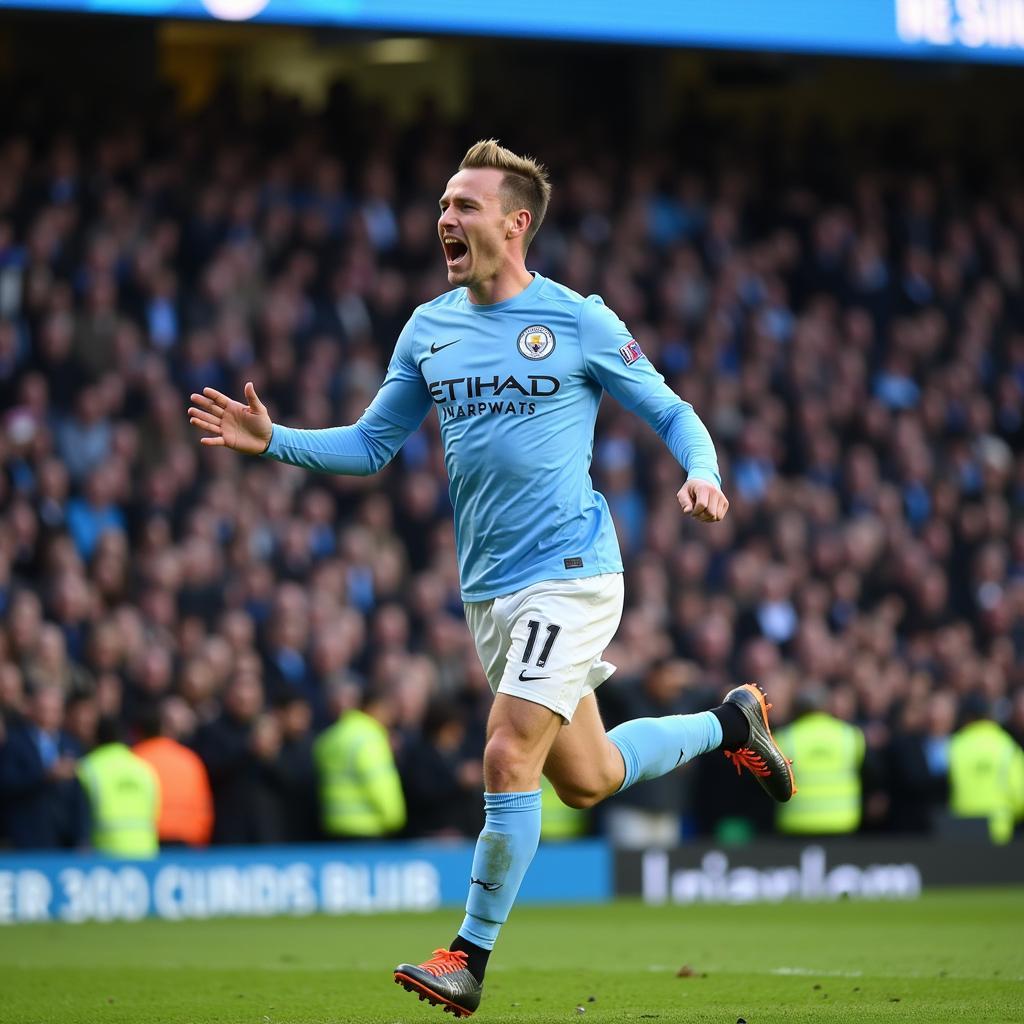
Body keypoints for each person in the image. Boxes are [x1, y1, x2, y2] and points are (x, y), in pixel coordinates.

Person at [188, 140, 796, 1019]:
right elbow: (371, 445)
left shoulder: (577, 318)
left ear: (515, 224)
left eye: (465, 206)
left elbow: (671, 407)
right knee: (585, 777)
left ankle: (466, 956)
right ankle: (727, 721)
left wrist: (701, 470)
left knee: (507, 750)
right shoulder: (427, 328)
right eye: (443, 204)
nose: (445, 218)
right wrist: (273, 439)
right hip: (490, 592)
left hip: (574, 570)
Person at [0, 684, 90, 850]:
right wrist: (45, 775)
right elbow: (6, 783)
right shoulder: (14, 743)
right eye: (44, 709)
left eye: (55, 710)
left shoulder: (71, 744)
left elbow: (79, 795)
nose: (49, 715)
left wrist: (82, 837)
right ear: (32, 709)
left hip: (64, 840)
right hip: (25, 839)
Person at [313, 683, 406, 839]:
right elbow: (381, 784)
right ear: (375, 707)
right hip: (367, 830)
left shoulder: (331, 736)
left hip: (331, 828)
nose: (391, 717)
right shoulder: (370, 738)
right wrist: (395, 820)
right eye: (388, 710)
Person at [774, 687, 864, 837]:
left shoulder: (784, 738)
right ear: (826, 706)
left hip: (796, 824)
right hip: (842, 822)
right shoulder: (850, 735)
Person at [947, 693, 1024, 845]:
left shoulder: (954, 745)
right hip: (999, 829)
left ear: (967, 718)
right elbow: (1020, 795)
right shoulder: (1007, 746)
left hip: (960, 828)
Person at [77, 717, 160, 858]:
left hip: (105, 854)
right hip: (146, 852)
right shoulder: (144, 768)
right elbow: (155, 811)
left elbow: (79, 816)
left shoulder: (87, 768)